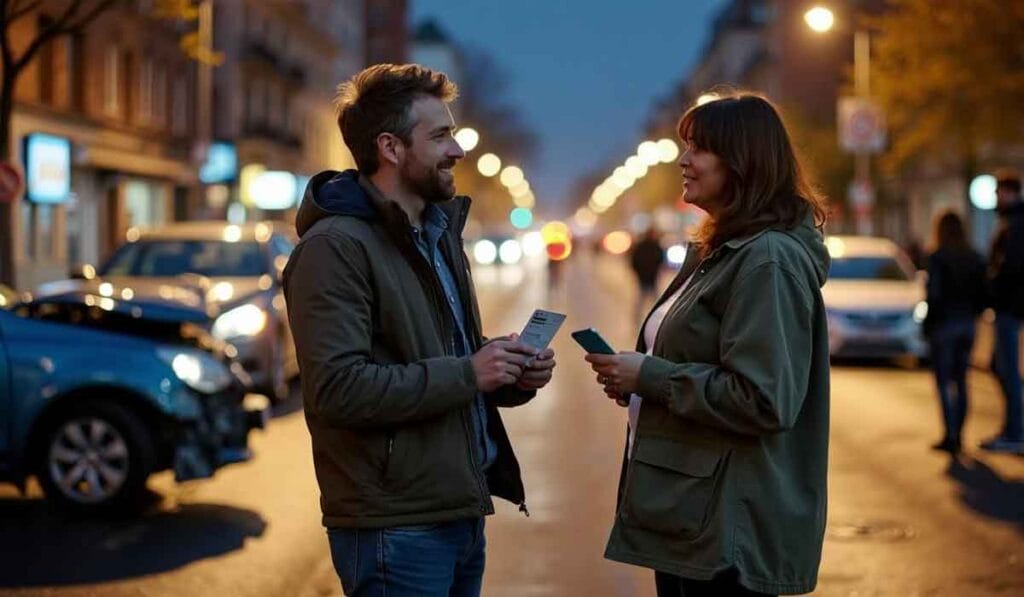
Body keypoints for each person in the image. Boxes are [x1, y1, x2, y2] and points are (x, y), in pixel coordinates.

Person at [283, 64, 556, 596]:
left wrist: (505, 369)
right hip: (395, 526)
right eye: (440, 136)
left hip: (457, 507)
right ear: (390, 147)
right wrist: (468, 372)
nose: (457, 150)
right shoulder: (335, 248)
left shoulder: (436, 232)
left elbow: (444, 358)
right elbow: (338, 390)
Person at [584, 92, 831, 596]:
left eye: (699, 148)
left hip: (727, 532)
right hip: (693, 519)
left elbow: (763, 399)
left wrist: (650, 377)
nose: (684, 160)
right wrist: (640, 384)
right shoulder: (721, 250)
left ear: (742, 161)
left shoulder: (767, 260)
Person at [922, 210, 988, 453]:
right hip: (967, 324)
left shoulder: (937, 257)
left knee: (943, 382)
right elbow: (984, 294)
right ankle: (959, 434)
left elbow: (934, 295)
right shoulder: (974, 257)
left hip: (945, 325)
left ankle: (950, 435)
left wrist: (928, 324)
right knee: (961, 381)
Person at [981, 168, 1024, 453]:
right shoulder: (1012, 222)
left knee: (1007, 368)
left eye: (999, 192)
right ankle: (1013, 428)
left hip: (1010, 306)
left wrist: (993, 285)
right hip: (1009, 305)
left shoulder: (1016, 225)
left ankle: (1015, 432)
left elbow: (1012, 268)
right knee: (1001, 366)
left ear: (1010, 193)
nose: (996, 197)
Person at [629, 226, 665, 323]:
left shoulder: (642, 245)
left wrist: (638, 272)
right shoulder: (655, 246)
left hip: (646, 277)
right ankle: (658, 319)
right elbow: (661, 260)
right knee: (653, 301)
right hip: (649, 277)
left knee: (643, 300)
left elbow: (634, 261)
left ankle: (638, 319)